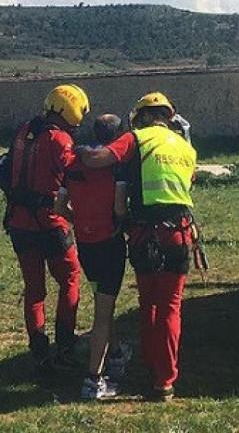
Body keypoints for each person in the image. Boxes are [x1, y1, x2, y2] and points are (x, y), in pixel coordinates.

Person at [77, 92, 197, 401]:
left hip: (146, 233)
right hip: (181, 231)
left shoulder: (137, 138)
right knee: (171, 307)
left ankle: (148, 364)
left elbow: (98, 159)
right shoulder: (185, 147)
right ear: (168, 116)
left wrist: (75, 150)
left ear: (142, 116)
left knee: (149, 303)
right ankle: (165, 381)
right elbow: (189, 182)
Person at [3, 84, 87, 374]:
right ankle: (65, 345)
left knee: (34, 288)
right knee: (70, 278)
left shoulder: (24, 131)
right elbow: (73, 177)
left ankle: (38, 350)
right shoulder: (60, 140)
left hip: (19, 221)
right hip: (51, 222)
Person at [59, 114, 131, 400]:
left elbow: (59, 205)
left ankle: (115, 353)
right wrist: (117, 223)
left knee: (102, 299)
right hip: (109, 243)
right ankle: (94, 379)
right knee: (102, 313)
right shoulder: (116, 167)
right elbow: (119, 207)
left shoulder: (72, 165)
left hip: (86, 244)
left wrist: (79, 220)